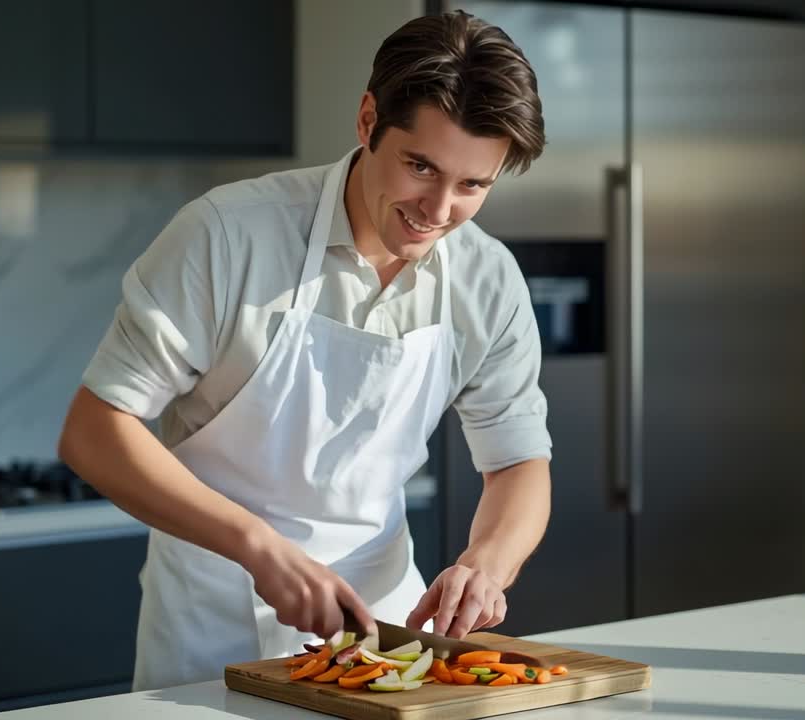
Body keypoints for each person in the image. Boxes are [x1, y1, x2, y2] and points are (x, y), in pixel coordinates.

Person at [58, 10, 552, 691]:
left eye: (473, 185)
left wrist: (487, 565)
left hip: (384, 638)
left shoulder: (486, 279)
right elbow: (94, 431)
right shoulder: (229, 235)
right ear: (367, 119)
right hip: (210, 635)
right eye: (420, 166)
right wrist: (258, 547)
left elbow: (520, 461)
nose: (439, 209)